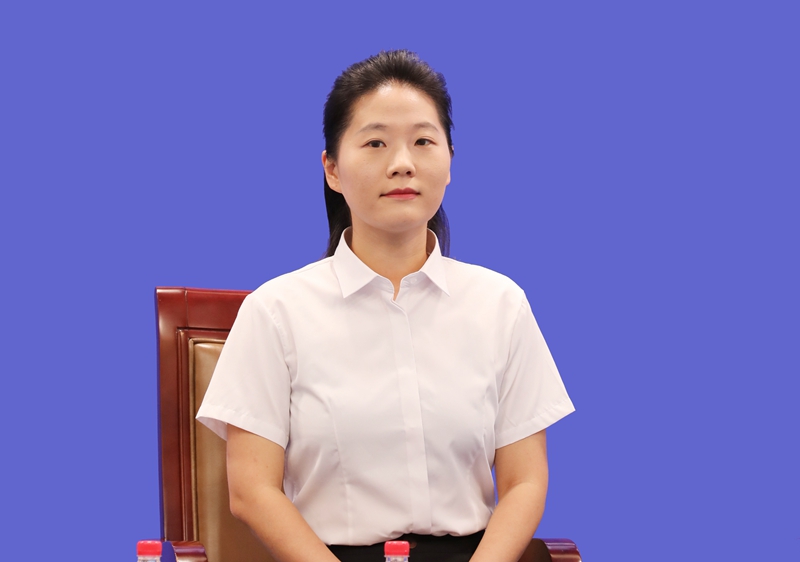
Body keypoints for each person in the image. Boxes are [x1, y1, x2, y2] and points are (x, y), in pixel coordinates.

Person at [196, 49, 574, 562]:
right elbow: (251, 491)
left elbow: (525, 480)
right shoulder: (276, 312)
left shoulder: (500, 304)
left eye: (423, 141)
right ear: (332, 169)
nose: (402, 163)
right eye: (375, 142)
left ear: (449, 161)